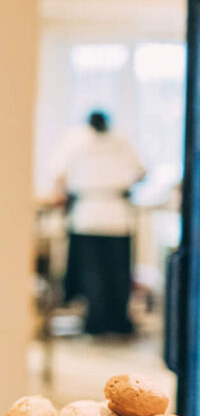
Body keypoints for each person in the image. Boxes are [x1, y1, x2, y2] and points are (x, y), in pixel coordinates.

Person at [53, 110, 145, 335]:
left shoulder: (79, 141)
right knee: (111, 275)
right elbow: (141, 172)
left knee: (97, 275)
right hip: (107, 213)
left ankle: (100, 323)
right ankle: (110, 322)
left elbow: (59, 176)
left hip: (95, 214)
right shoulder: (115, 141)